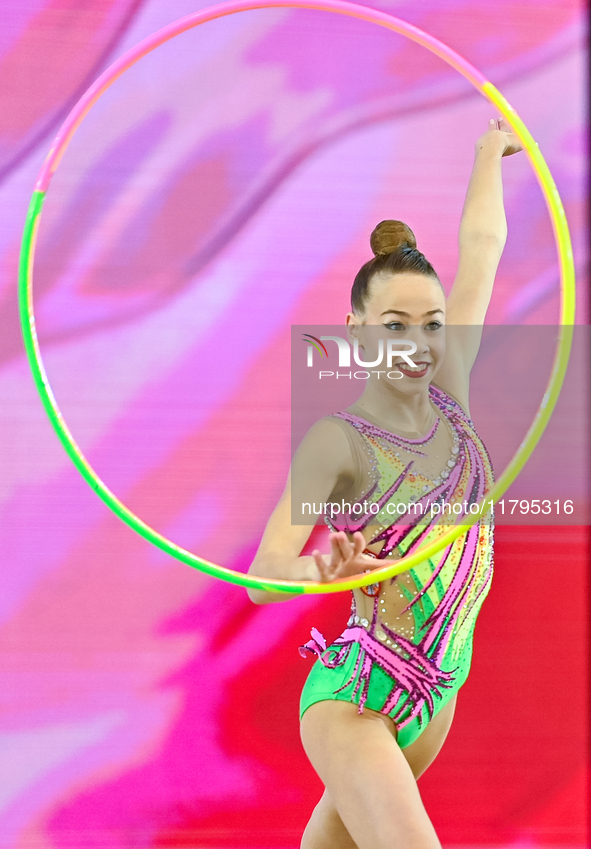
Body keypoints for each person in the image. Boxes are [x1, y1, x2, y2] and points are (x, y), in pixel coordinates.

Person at [247, 118, 523, 849]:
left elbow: (480, 252)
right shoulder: (337, 441)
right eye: (394, 324)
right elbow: (261, 577)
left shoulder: (450, 394)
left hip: (437, 692)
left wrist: (487, 153)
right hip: (356, 695)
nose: (418, 343)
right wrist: (317, 570)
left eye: (430, 325)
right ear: (358, 330)